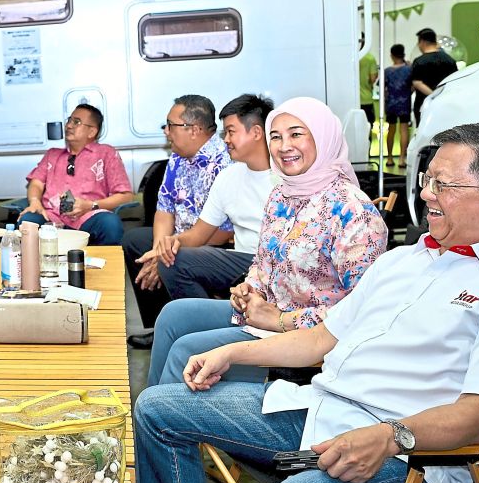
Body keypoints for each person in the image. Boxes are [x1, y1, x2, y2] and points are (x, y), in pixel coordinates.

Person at [134, 123, 479, 483]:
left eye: (445, 184)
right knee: (158, 409)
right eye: (427, 180)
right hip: (318, 411)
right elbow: (323, 339)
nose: (427, 195)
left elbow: (478, 415)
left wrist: (389, 436)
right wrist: (232, 352)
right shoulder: (404, 260)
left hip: (410, 458)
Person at [145, 96, 388, 386]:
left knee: (188, 351)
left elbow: (361, 310)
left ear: (323, 138)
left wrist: (280, 320)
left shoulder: (353, 212)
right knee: (174, 315)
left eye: (296, 134)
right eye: (276, 136)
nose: (285, 146)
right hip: (263, 316)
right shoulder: (280, 196)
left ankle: (164, 421)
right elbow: (262, 264)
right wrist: (249, 290)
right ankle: (157, 415)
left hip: (308, 342)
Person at [127, 94, 276, 350]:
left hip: (268, 261)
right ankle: (185, 331)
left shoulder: (284, 176)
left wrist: (171, 249)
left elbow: (220, 233)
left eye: (230, 131)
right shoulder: (230, 176)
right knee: (155, 250)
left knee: (175, 260)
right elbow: (185, 224)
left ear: (256, 133)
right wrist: (166, 246)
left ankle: (215, 338)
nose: (225, 139)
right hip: (241, 259)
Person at [123, 95, 232, 340]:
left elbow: (225, 231)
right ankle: (161, 327)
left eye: (170, 125)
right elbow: (164, 208)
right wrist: (158, 249)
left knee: (173, 258)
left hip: (213, 243)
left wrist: (166, 252)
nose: (166, 131)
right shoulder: (177, 158)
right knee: (134, 242)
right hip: (178, 240)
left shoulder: (225, 163)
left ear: (193, 130)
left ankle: (205, 334)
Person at [19, 103, 133, 245]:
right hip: (51, 217)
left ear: (92, 132)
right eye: (69, 120)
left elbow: (125, 195)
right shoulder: (52, 155)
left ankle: (105, 266)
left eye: (76, 122)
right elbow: (36, 183)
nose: (69, 126)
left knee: (110, 224)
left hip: (89, 215)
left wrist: (91, 205)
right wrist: (35, 201)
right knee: (27, 222)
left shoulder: (106, 154)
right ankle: (34, 266)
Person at [410, 27, 458, 125]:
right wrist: (440, 97)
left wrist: (433, 95)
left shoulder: (419, 61)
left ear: (422, 42)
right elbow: (455, 80)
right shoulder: (449, 59)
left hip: (424, 105)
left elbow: (417, 83)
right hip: (446, 104)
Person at [384, 43, 413, 168]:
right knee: (404, 130)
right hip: (404, 103)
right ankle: (402, 159)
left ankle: (389, 158)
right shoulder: (409, 70)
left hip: (391, 104)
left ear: (391, 55)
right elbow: (413, 86)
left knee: (391, 130)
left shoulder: (387, 71)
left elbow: (384, 89)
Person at [359, 34, 378, 128]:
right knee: (367, 126)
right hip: (366, 99)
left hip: (350, 99)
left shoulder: (349, 56)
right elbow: (373, 79)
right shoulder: (370, 58)